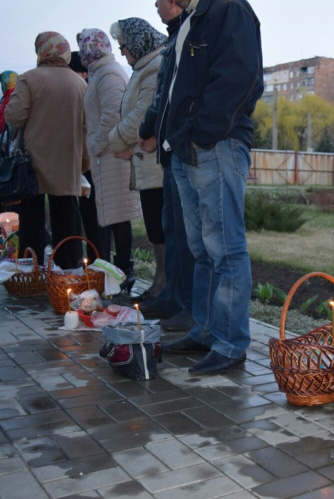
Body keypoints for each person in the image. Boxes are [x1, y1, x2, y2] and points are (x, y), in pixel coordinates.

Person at [157, 0, 263, 375]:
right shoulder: (191, 19)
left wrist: (203, 133)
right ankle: (205, 331)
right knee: (201, 248)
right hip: (187, 147)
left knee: (226, 249)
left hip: (215, 143)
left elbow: (242, 76)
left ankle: (231, 344)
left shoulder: (228, 8)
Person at [138, 0, 197, 332]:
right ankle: (174, 298)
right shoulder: (176, 36)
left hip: (183, 142)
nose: (156, 4)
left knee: (189, 235)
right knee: (174, 228)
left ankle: (186, 304)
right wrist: (151, 128)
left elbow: (168, 96)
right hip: (170, 144)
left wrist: (149, 128)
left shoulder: (190, 31)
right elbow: (164, 96)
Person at [4, 32, 85, 269]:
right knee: (67, 218)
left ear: (42, 51)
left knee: (32, 221)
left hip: (33, 163)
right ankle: (70, 270)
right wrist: (84, 162)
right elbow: (87, 125)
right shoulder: (79, 82)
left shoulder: (29, 78)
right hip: (68, 161)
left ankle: (32, 272)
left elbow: (14, 116)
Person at [108, 18, 168, 302]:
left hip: (157, 166)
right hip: (146, 162)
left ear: (137, 42)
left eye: (124, 46)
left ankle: (163, 285)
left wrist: (115, 140)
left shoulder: (154, 67)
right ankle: (160, 284)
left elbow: (141, 116)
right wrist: (128, 143)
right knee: (155, 228)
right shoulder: (142, 67)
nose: (121, 52)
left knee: (160, 228)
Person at [78, 28, 141, 293]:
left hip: (111, 156)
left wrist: (94, 144)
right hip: (107, 157)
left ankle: (124, 273)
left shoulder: (109, 74)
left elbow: (112, 115)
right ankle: (112, 273)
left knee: (118, 217)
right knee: (112, 216)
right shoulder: (101, 72)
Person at [68, 51, 106, 264]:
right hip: (90, 157)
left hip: (89, 158)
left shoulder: (87, 88)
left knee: (92, 215)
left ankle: (96, 261)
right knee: (93, 216)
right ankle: (96, 261)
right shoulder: (89, 85)